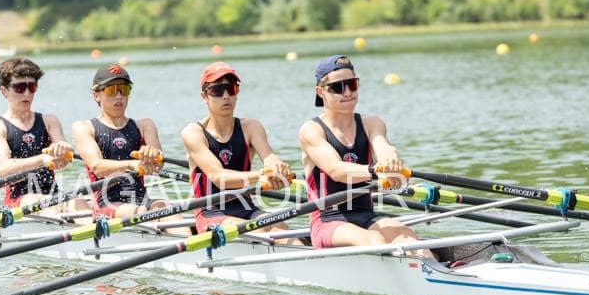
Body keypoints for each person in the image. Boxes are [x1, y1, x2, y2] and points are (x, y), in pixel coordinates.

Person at [299, 54, 431, 255]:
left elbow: (383, 147)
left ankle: (432, 271)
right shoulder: (311, 130)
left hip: (366, 215)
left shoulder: (371, 123)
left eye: (352, 85)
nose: (347, 92)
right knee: (374, 240)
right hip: (327, 221)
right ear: (320, 91)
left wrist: (391, 161)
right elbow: (337, 170)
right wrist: (376, 171)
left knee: (407, 236)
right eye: (337, 87)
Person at [181, 62, 297, 239]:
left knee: (282, 229)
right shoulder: (193, 133)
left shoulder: (251, 127)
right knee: (256, 231)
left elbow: (268, 156)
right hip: (210, 213)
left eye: (231, 89)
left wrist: (277, 166)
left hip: (247, 208)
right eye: (217, 91)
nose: (226, 96)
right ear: (204, 96)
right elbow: (218, 177)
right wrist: (262, 175)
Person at [72, 64, 188, 233]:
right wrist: (132, 164)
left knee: (168, 208)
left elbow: (158, 165)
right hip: (107, 204)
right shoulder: (84, 128)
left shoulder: (144, 126)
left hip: (141, 200)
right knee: (142, 213)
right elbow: (98, 166)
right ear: (96, 95)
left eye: (124, 89)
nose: (119, 96)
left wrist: (152, 157)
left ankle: (189, 244)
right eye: (112, 90)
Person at [0, 57, 80, 210]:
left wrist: (64, 149)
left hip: (53, 195)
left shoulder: (49, 121)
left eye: (32, 87)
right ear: (4, 90)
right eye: (20, 88)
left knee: (80, 202)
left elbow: (64, 159)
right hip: (18, 199)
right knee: (45, 202)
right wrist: (42, 159)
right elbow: (3, 169)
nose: (27, 93)